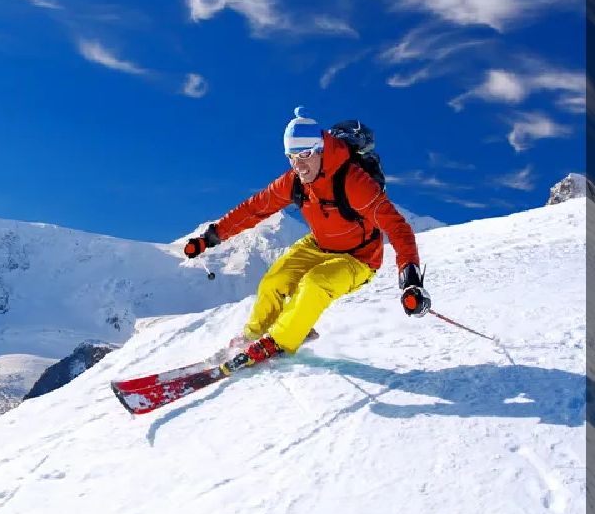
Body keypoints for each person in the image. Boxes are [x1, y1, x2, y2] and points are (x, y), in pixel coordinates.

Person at [184, 107, 431, 368]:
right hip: (319, 244)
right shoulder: (294, 181)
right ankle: (253, 336)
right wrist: (209, 238)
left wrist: (411, 280)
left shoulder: (354, 182)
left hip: (359, 257)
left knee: (315, 283)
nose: (299, 165)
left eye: (305, 155)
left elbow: (397, 227)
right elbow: (255, 208)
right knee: (273, 281)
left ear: (321, 149)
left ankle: (279, 342)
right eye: (292, 157)